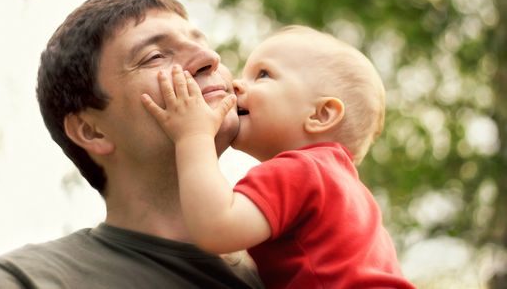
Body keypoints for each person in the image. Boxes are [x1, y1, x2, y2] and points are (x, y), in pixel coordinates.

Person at [0, 0, 264, 288]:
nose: (209, 58)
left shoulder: (296, 262)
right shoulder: (26, 281)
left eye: (201, 41)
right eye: (154, 56)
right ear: (92, 130)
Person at [141, 25, 416, 288]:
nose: (236, 84)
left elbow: (216, 228)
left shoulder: (301, 170)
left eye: (263, 75)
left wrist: (193, 136)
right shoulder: (346, 189)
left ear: (320, 115)